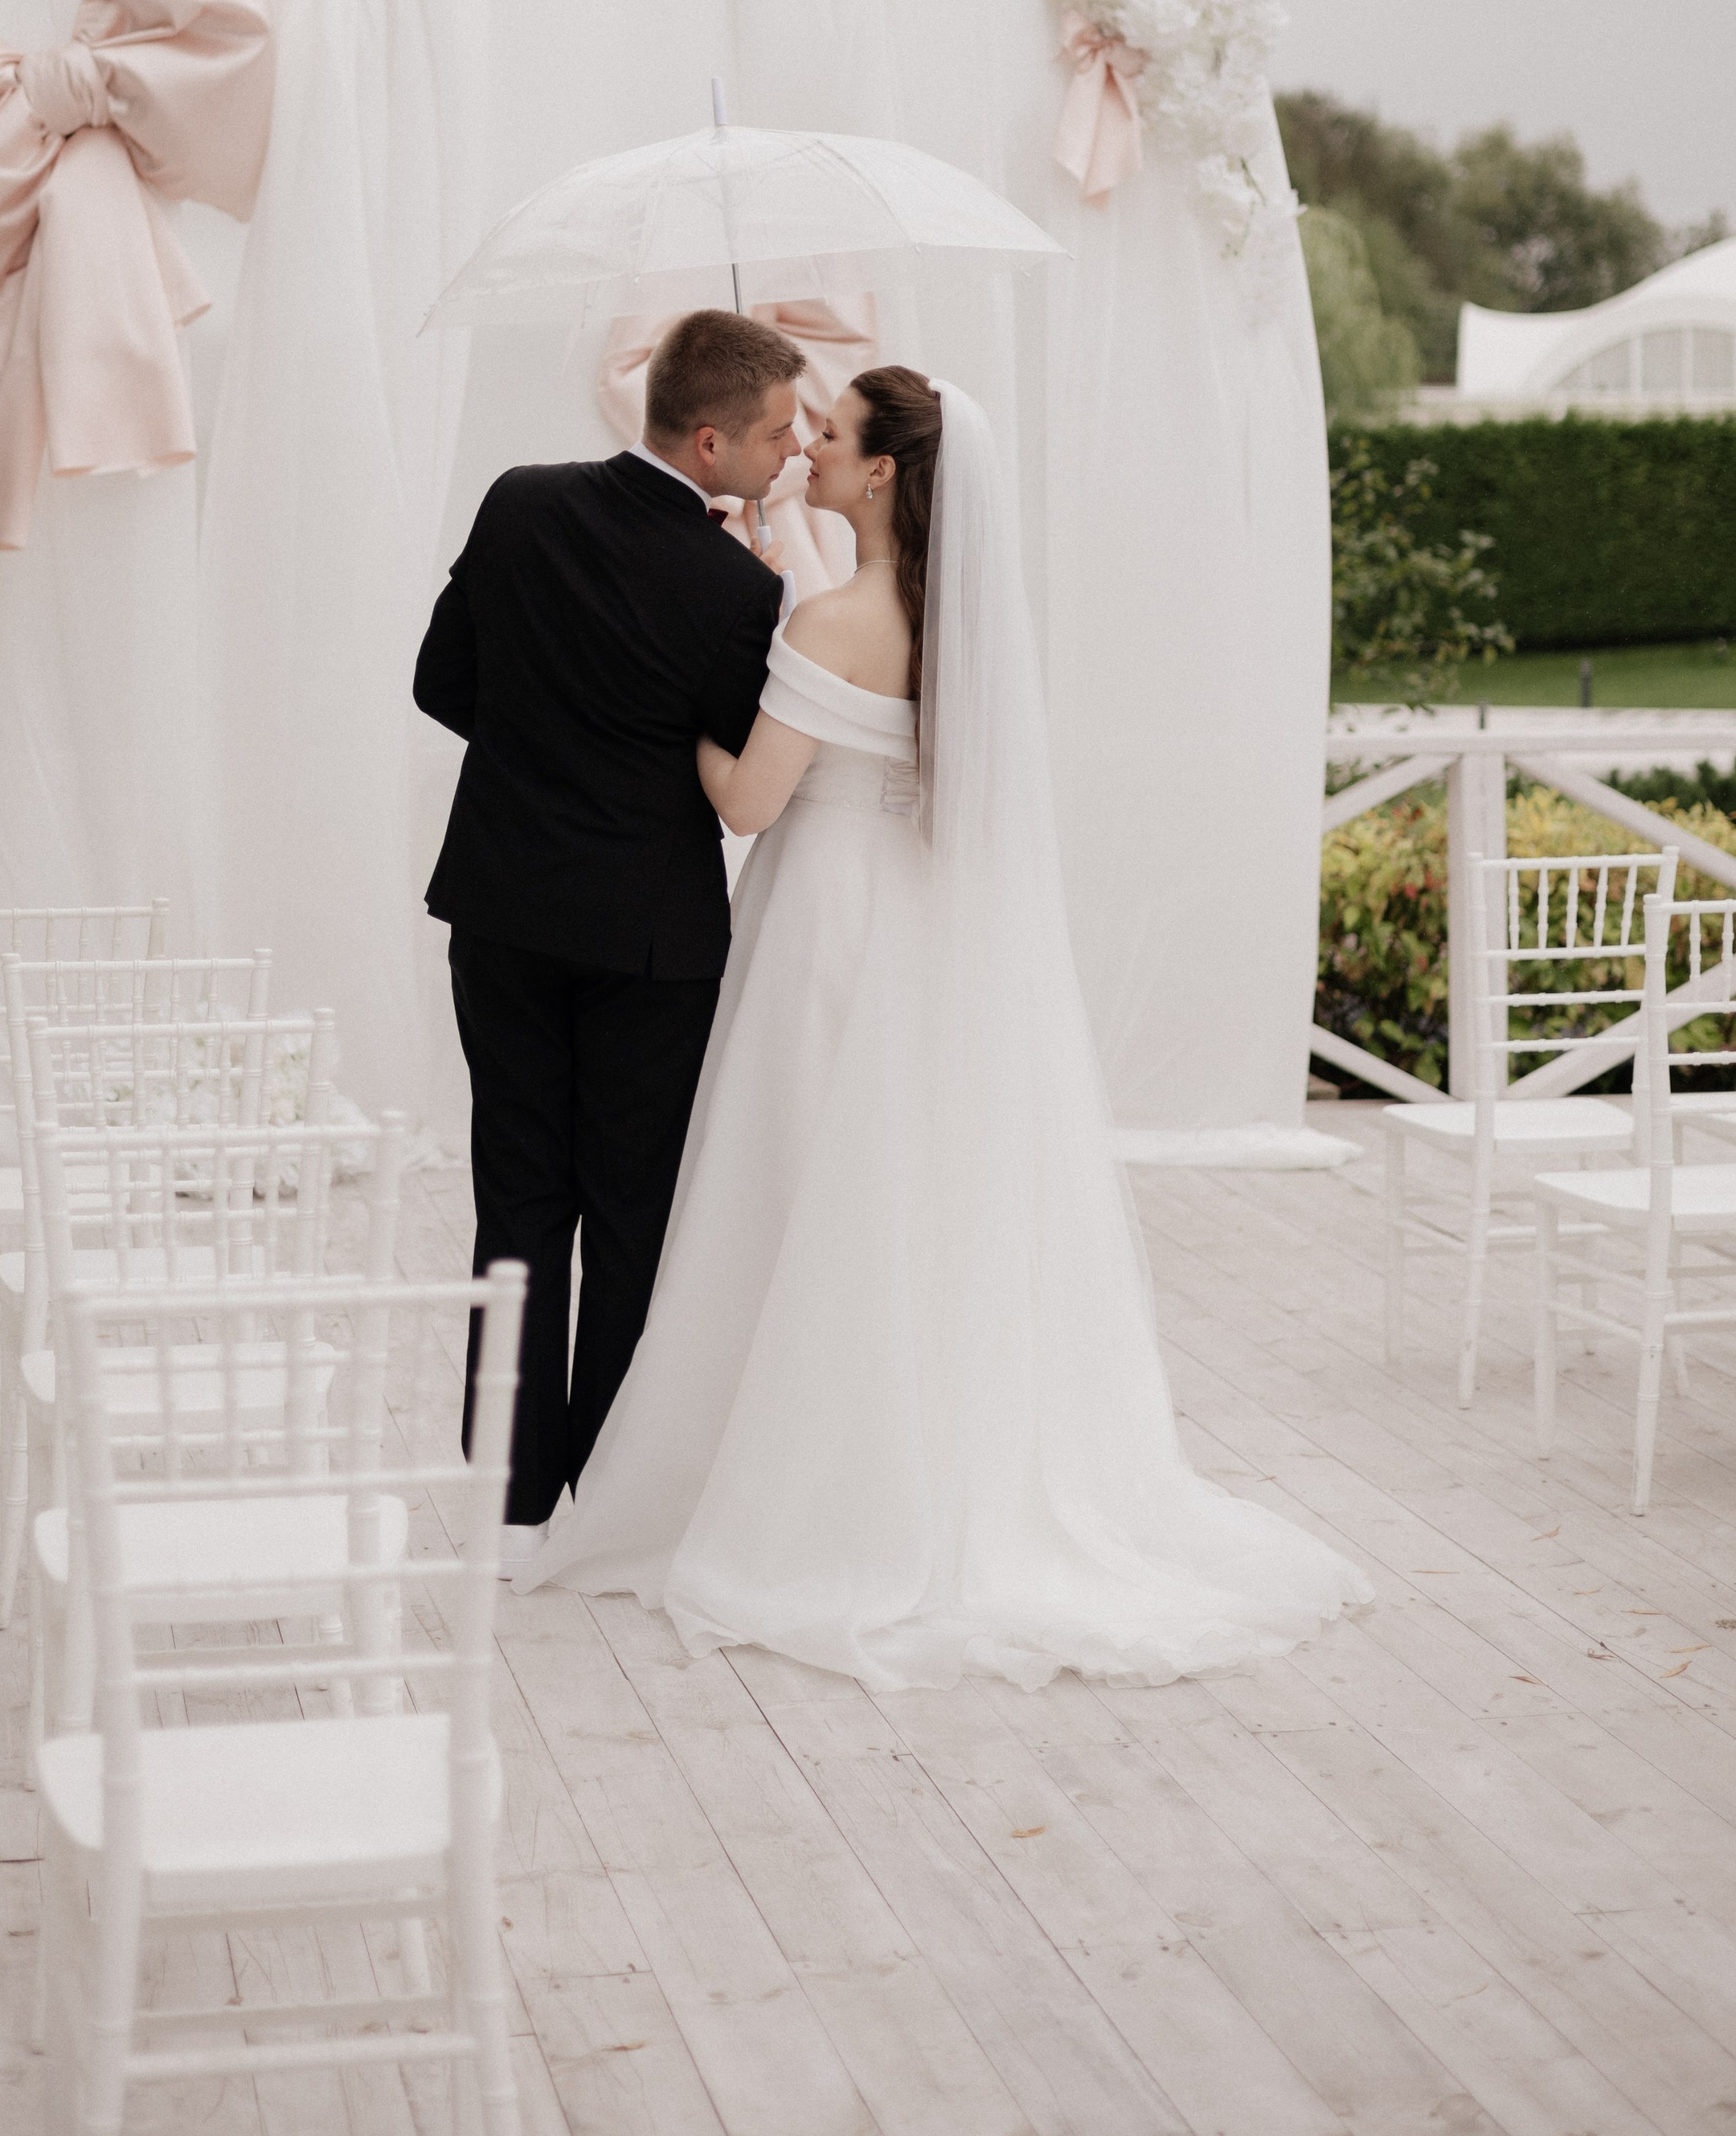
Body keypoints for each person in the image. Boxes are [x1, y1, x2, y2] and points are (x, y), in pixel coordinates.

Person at [526, 367, 1371, 1684]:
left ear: (881, 474)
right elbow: (862, 695)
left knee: (796, 1191)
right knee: (899, 1199)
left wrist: (659, 714)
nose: (807, 444)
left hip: (825, 928)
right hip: (911, 921)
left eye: (832, 434)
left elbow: (749, 800)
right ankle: (917, 1466)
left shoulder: (832, 622)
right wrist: (770, 562)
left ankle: (801, 1488)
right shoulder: (946, 615)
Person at [413, 307, 801, 1559]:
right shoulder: (741, 588)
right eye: (777, 432)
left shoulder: (518, 501)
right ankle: (605, 1491)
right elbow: (732, 760)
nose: (793, 451)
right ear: (710, 441)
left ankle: (510, 1493)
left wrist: (544, 749)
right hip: (650, 939)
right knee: (634, 1216)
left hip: (505, 908)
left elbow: (439, 682)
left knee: (518, 1199)